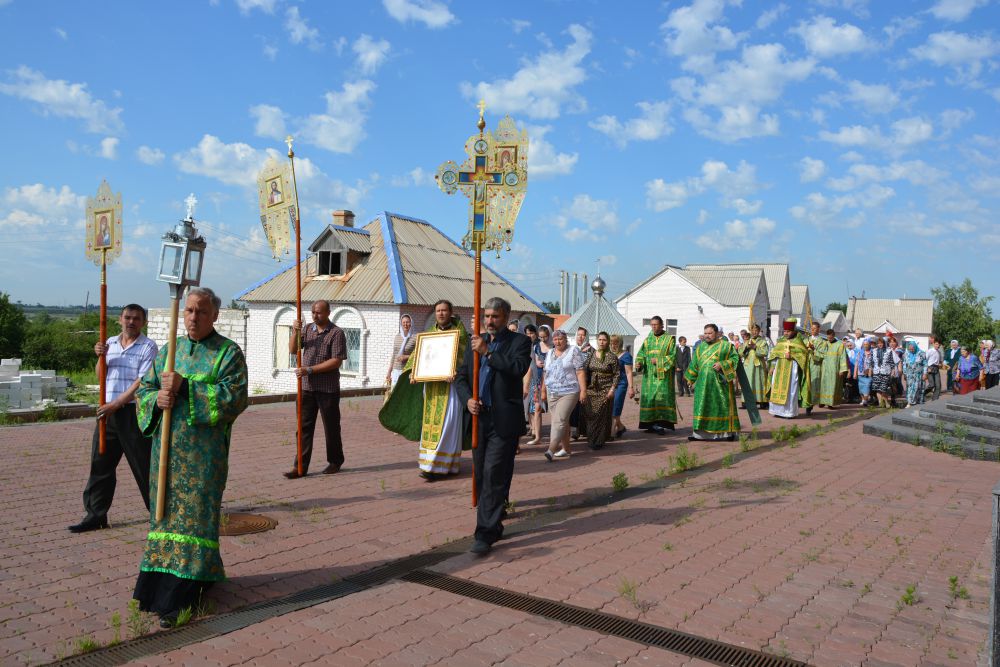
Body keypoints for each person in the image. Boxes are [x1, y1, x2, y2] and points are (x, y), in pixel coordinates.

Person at [132, 287, 248, 627]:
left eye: (201, 312)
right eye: (189, 311)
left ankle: (184, 593)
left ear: (214, 316)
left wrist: (185, 388)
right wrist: (157, 400)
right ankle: (158, 586)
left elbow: (235, 397)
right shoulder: (170, 350)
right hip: (165, 457)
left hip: (202, 460)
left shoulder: (227, 353)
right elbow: (145, 390)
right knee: (164, 516)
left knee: (196, 519)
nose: (193, 317)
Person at [69, 305, 158, 533]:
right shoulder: (109, 343)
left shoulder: (148, 347)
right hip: (106, 414)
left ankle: (159, 515)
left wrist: (116, 404)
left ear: (143, 322)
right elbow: (101, 375)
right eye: (127, 317)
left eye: (136, 319)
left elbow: (142, 383)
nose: (131, 322)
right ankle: (96, 516)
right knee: (100, 465)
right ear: (120, 319)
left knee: (144, 465)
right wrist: (102, 357)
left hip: (131, 413)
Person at [454, 297, 531, 555]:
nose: (489, 321)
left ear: (506, 318)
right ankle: (495, 517)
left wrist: (488, 353)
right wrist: (467, 400)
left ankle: (485, 534)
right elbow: (462, 377)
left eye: (495, 317)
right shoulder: (475, 342)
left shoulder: (519, 342)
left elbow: (517, 369)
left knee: (494, 472)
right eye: (486, 316)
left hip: (503, 420)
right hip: (479, 418)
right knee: (482, 474)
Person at [284, 300, 348, 479]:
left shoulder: (336, 333)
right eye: (312, 312)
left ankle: (335, 461)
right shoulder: (307, 329)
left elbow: (336, 361)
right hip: (306, 388)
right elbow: (292, 349)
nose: (315, 315)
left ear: (328, 312)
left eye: (318, 312)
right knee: (303, 428)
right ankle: (300, 467)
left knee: (331, 427)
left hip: (328, 389)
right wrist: (296, 330)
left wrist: (310, 370)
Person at [685, 323, 739, 441]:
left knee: (721, 407)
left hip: (720, 384)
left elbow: (735, 360)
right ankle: (699, 435)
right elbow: (694, 365)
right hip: (702, 385)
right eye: (705, 333)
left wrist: (722, 364)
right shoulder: (700, 347)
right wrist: (690, 379)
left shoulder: (726, 346)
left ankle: (726, 434)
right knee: (702, 407)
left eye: (710, 333)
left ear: (717, 334)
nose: (707, 336)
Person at [540, 330, 586, 460]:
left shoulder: (574, 351)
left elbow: (580, 372)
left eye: (560, 339)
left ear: (566, 339)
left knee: (558, 421)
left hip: (569, 392)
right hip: (552, 392)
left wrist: (583, 390)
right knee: (562, 422)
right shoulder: (549, 353)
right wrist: (543, 390)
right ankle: (566, 449)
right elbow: (545, 373)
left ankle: (551, 449)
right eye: (555, 339)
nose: (558, 342)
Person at [633, 316, 677, 434]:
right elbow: (641, 354)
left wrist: (659, 361)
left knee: (660, 398)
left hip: (663, 377)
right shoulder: (648, 340)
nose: (653, 326)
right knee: (650, 399)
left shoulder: (669, 340)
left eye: (656, 324)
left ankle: (660, 424)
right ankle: (650, 424)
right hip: (649, 377)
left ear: (662, 325)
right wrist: (639, 363)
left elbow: (673, 357)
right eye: (652, 324)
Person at [767, 318, 812, 419]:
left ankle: (788, 413)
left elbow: (804, 356)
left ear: (794, 331)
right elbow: (775, 354)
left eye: (788, 331)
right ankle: (777, 411)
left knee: (791, 390)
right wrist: (772, 367)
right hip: (779, 368)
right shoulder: (780, 341)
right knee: (776, 388)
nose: (786, 333)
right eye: (785, 331)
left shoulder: (799, 342)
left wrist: (792, 355)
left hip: (792, 369)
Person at [582, 332, 620, 450]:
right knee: (591, 414)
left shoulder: (612, 357)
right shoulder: (592, 354)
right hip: (592, 389)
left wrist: (612, 389)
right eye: (600, 340)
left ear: (608, 341)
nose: (602, 342)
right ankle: (592, 437)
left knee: (601, 415)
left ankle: (598, 441)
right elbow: (584, 369)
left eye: (604, 340)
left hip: (605, 389)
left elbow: (617, 374)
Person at [524, 325, 551, 446]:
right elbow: (532, 364)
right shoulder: (536, 347)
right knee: (536, 408)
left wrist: (547, 364)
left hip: (551, 381)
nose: (543, 339)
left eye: (545, 337)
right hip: (538, 380)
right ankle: (537, 437)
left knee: (554, 410)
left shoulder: (554, 347)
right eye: (540, 337)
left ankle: (560, 436)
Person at [569, 327, 593, 440]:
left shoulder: (591, 350)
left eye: (583, 335)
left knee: (584, 407)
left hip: (586, 383)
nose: (580, 337)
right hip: (572, 382)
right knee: (573, 407)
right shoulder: (571, 349)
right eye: (578, 334)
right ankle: (574, 430)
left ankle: (585, 429)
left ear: (586, 336)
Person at [817, 329, 848, 408]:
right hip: (825, 368)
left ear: (834, 336)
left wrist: (842, 369)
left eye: (830, 337)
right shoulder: (825, 343)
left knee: (832, 385)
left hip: (835, 368)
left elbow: (843, 357)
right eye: (828, 337)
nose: (829, 339)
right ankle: (822, 401)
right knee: (823, 385)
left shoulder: (840, 345)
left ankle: (831, 403)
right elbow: (820, 353)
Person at [610, 334, 633, 439]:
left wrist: (631, 387)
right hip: (609, 385)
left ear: (620, 343)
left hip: (621, 384)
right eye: (611, 343)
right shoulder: (608, 354)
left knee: (615, 407)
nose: (613, 345)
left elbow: (628, 372)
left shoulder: (626, 355)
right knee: (609, 408)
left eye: (615, 343)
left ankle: (611, 433)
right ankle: (620, 427)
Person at [740, 324, 769, 409]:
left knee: (758, 382)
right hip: (748, 366)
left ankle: (761, 401)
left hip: (758, 366)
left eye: (756, 330)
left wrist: (755, 347)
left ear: (759, 331)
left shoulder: (762, 342)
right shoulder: (747, 341)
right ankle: (746, 402)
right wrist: (747, 348)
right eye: (752, 330)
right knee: (748, 382)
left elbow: (765, 352)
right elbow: (741, 353)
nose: (754, 332)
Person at [385, 314, 416, 388]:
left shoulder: (415, 337)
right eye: (403, 322)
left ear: (411, 323)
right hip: (396, 370)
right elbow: (394, 355)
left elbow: (418, 354)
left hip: (408, 370)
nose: (405, 324)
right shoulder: (397, 336)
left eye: (408, 322)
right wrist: (389, 371)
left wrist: (407, 357)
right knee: (394, 391)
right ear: (401, 324)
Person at [900, 340, 928, 407]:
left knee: (917, 388)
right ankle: (910, 402)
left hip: (918, 374)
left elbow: (925, 364)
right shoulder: (906, 354)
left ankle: (915, 401)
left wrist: (925, 373)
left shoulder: (921, 353)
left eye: (912, 349)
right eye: (910, 349)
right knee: (910, 388)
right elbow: (904, 364)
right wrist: (905, 373)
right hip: (909, 375)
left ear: (915, 347)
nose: (911, 350)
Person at [871, 337, 895, 408]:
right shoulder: (874, 350)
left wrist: (892, 371)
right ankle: (880, 404)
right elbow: (872, 362)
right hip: (876, 371)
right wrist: (871, 370)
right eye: (878, 343)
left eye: (881, 343)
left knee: (883, 388)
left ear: (884, 343)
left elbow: (891, 361)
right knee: (877, 389)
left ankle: (887, 403)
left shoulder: (889, 351)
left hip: (885, 372)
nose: (880, 344)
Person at [807, 321, 824, 406]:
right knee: (806, 383)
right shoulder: (807, 339)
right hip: (807, 364)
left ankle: (814, 402)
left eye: (815, 328)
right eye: (812, 328)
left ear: (818, 329)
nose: (813, 330)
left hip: (815, 365)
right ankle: (806, 401)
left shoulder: (822, 342)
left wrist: (813, 350)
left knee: (815, 384)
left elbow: (822, 355)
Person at [854, 338, 873, 406]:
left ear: (869, 345)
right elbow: (856, 363)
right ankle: (863, 399)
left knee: (867, 387)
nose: (865, 346)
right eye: (864, 344)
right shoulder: (860, 352)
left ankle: (865, 400)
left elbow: (874, 363)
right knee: (861, 388)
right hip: (860, 373)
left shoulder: (872, 353)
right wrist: (855, 373)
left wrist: (870, 370)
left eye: (867, 344)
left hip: (868, 374)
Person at [925, 336, 942, 401]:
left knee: (938, 385)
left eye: (939, 344)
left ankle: (935, 399)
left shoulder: (939, 352)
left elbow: (938, 361)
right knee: (932, 385)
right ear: (933, 344)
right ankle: (923, 393)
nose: (937, 346)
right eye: (936, 344)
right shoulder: (930, 351)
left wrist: (940, 364)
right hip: (930, 368)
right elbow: (925, 360)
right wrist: (927, 368)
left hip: (936, 368)